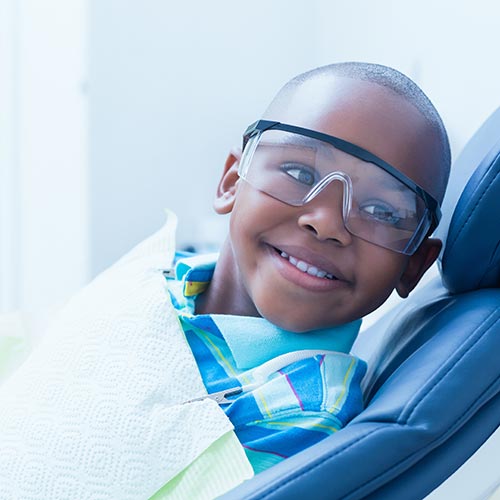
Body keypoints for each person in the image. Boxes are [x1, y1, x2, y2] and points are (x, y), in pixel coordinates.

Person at [165, 61, 451, 474]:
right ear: (231, 181)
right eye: (299, 172)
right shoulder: (151, 275)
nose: (327, 222)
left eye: (381, 211)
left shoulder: (302, 423)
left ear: (414, 266)